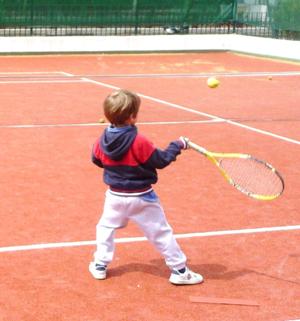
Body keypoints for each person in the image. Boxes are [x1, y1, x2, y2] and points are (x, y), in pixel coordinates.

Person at [89, 89, 203, 285]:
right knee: (160, 233)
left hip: (115, 197)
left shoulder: (101, 140)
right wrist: (178, 145)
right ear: (133, 117)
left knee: (105, 227)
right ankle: (180, 271)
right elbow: (161, 160)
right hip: (142, 197)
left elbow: (96, 159)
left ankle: (100, 264)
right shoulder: (139, 141)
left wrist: (116, 171)